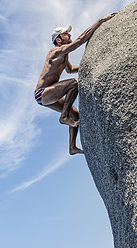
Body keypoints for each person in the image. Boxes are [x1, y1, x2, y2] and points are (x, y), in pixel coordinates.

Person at [35, 12, 117, 155]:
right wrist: (100, 21)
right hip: (42, 93)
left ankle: (72, 147)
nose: (70, 36)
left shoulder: (64, 55)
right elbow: (80, 40)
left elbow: (70, 69)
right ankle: (64, 117)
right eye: (67, 34)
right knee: (74, 83)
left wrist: (91, 65)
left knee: (76, 116)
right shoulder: (56, 51)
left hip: (47, 96)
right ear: (59, 39)